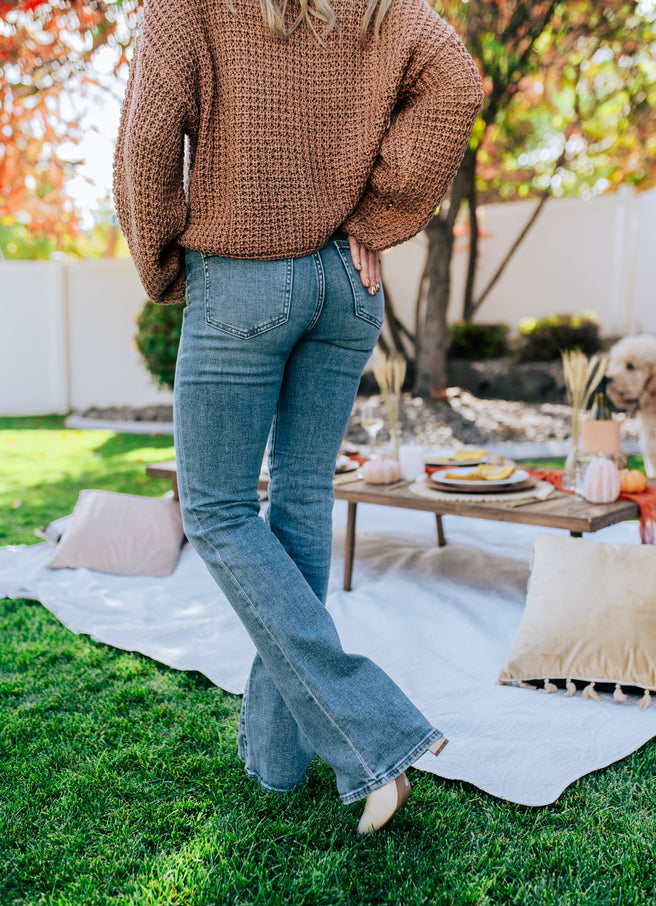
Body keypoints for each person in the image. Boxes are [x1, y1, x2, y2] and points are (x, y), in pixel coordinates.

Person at [113, 0, 483, 834]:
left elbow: (145, 141)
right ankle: (279, 762)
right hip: (349, 284)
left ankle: (373, 733)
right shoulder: (386, 5)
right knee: (302, 499)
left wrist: (165, 259)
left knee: (215, 509)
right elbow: (457, 83)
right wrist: (378, 213)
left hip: (244, 270)